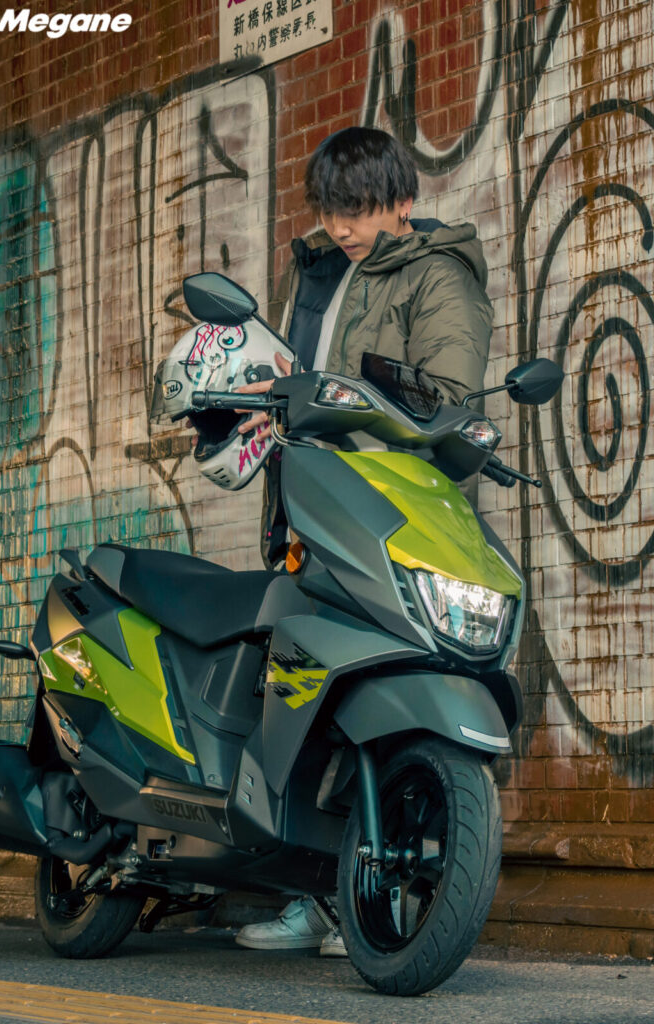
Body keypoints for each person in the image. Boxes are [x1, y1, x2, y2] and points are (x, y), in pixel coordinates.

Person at [233, 126, 494, 955]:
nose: (340, 227)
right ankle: (310, 893)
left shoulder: (436, 275)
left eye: (357, 210)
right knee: (303, 694)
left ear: (403, 200)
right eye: (330, 209)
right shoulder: (317, 272)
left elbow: (444, 396)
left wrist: (331, 396)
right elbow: (298, 379)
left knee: (375, 697)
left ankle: (372, 898)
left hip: (387, 518)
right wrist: (270, 399)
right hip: (311, 508)